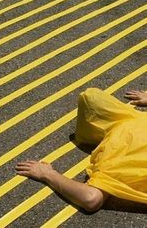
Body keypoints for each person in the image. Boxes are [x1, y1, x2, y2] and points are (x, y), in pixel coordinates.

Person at [15, 89, 147, 212]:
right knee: (89, 95)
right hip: (129, 127)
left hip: (124, 142)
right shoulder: (130, 121)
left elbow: (91, 199)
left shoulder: (115, 157)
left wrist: (48, 174)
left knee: (89, 95)